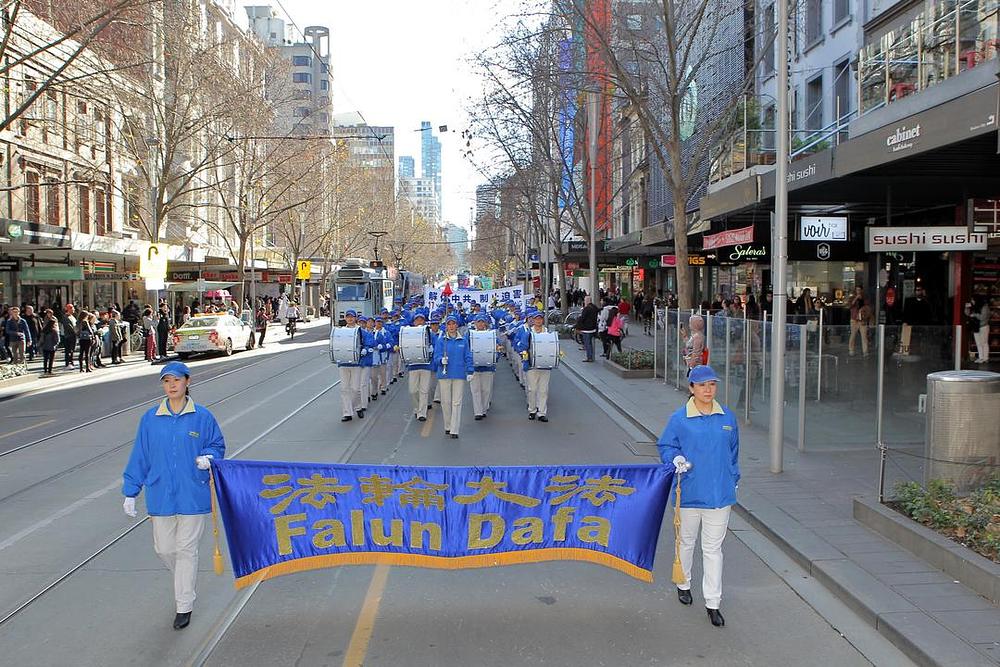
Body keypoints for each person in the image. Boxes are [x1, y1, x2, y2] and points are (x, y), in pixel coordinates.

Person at [121, 361, 226, 630]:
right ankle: (184, 580)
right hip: (160, 494)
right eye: (167, 381)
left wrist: (209, 458)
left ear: (187, 382)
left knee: (186, 550)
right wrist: (131, 491)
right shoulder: (150, 419)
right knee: (165, 549)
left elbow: (217, 445)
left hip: (193, 492)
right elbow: (140, 456)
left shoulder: (202, 417)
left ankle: (184, 605)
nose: (172, 385)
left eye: (176, 380)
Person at [657, 365, 739, 628]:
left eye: (712, 385)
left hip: (720, 496)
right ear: (691, 388)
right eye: (702, 385)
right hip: (690, 493)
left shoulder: (727, 417)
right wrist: (675, 458)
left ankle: (713, 602)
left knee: (713, 550)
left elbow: (734, 452)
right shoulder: (679, 419)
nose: (708, 390)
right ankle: (683, 582)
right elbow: (667, 445)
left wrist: (733, 479)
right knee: (687, 542)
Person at [432, 314, 474, 439]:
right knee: (446, 402)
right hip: (445, 374)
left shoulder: (463, 340)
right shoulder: (441, 341)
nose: (451, 326)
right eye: (448, 324)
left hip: (459, 374)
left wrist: (470, 371)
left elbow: (468, 356)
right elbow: (436, 357)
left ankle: (454, 429)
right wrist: (441, 360)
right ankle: (448, 425)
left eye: (453, 324)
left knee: (457, 402)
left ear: (457, 325)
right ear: (446, 326)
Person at [515, 311, 555, 422]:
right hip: (531, 366)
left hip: (545, 366)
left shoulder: (548, 333)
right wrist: (524, 354)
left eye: (540, 319)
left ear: (542, 320)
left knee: (543, 390)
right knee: (532, 389)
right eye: (536, 319)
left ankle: (542, 412)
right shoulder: (528, 333)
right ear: (533, 320)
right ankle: (532, 409)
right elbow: (521, 347)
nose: (538, 321)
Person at [333, 310, 366, 421]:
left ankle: (358, 406)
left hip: (356, 363)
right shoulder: (340, 331)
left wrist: (365, 349)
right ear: (345, 318)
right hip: (344, 363)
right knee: (344, 389)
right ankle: (347, 413)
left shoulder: (360, 330)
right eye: (348, 317)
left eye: (352, 317)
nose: (350, 318)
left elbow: (369, 341)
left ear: (356, 318)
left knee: (355, 389)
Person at [467, 314, 498, 420]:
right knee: (475, 390)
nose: (480, 324)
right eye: (478, 322)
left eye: (482, 322)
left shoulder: (491, 334)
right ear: (475, 323)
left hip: (488, 367)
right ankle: (478, 412)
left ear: (485, 323)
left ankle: (484, 409)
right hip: (474, 368)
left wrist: (495, 358)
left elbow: (496, 349)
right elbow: (466, 349)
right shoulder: (470, 334)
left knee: (486, 390)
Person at [405, 312, 434, 422]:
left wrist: (432, 349)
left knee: (424, 390)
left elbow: (435, 344)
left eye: (421, 320)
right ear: (414, 322)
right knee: (413, 390)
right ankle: (417, 408)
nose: (419, 322)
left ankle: (422, 412)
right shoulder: (409, 333)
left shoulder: (429, 332)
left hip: (426, 365)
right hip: (413, 365)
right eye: (417, 320)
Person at [967, 296, 992, 364]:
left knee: (984, 342)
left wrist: (975, 315)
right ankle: (981, 357)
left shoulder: (985, 307)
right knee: (978, 343)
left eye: (973, 300)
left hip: (983, 326)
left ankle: (986, 358)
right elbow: (967, 314)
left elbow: (982, 317)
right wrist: (967, 308)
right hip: (976, 327)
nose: (972, 302)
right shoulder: (974, 307)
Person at [848, 287, 871, 357]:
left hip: (862, 320)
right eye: (857, 290)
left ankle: (865, 351)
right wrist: (855, 298)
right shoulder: (852, 298)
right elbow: (850, 306)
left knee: (864, 336)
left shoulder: (865, 298)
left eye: (859, 290)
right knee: (853, 335)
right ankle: (851, 350)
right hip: (854, 319)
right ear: (855, 290)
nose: (858, 291)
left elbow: (868, 307)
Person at [577, 296, 600, 362]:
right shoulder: (594, 307)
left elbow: (582, 318)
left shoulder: (586, 309)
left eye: (585, 300)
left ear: (587, 301)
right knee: (590, 343)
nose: (584, 302)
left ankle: (589, 357)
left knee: (587, 344)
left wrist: (578, 325)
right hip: (593, 328)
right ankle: (591, 356)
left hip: (586, 329)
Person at [39, 308, 60, 376]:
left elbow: (42, 336)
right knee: (51, 359)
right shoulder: (54, 331)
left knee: (45, 358)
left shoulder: (44, 330)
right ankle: (49, 370)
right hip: (52, 346)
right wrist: (57, 344)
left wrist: (41, 344)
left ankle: (45, 370)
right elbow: (57, 339)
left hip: (45, 346)